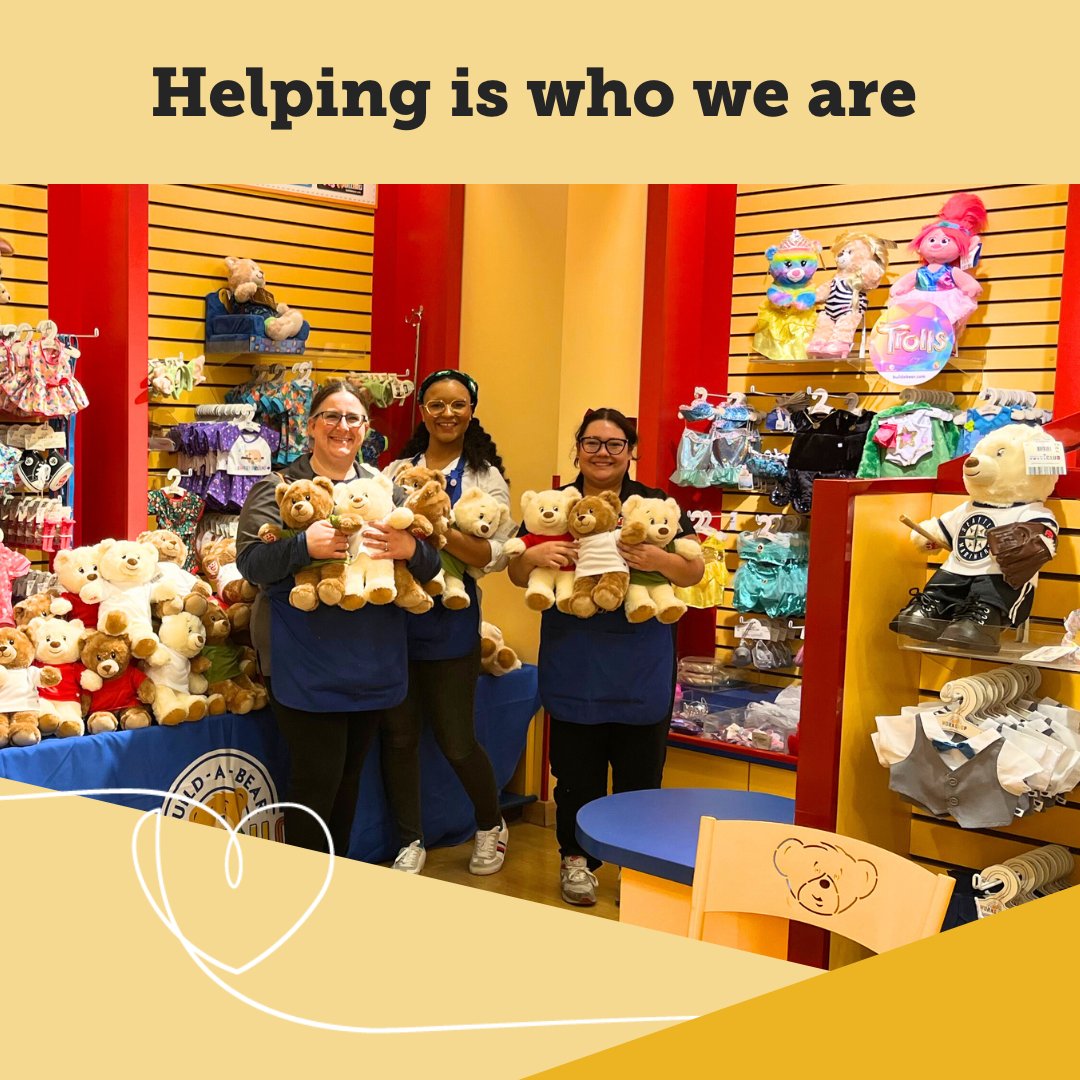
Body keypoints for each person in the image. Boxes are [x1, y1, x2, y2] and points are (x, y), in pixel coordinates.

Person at [507, 408, 704, 906]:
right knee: (576, 775)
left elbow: (692, 573)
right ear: (577, 449)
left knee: (641, 778)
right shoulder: (556, 504)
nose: (602, 453)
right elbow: (516, 571)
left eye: (615, 444)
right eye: (592, 443)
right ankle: (576, 861)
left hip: (642, 664)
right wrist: (534, 558)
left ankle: (641, 870)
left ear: (631, 451)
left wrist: (658, 561)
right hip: (576, 661)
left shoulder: (655, 503)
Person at [236, 379, 442, 856]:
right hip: (306, 661)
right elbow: (250, 562)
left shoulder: (383, 489)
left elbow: (433, 567)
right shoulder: (280, 487)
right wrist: (300, 547)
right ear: (310, 425)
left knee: (349, 778)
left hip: (371, 658)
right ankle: (305, 894)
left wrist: (410, 547)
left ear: (365, 429)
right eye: (331, 415)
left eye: (353, 418)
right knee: (316, 781)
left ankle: (334, 879)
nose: (342, 426)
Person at [381, 369, 516, 876]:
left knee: (456, 739)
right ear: (422, 411)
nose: (447, 414)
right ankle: (408, 838)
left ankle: (490, 824)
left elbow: (492, 554)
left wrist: (434, 536)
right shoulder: (397, 470)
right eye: (436, 404)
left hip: (452, 620)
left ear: (472, 411)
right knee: (398, 737)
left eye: (457, 404)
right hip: (396, 619)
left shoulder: (485, 477)